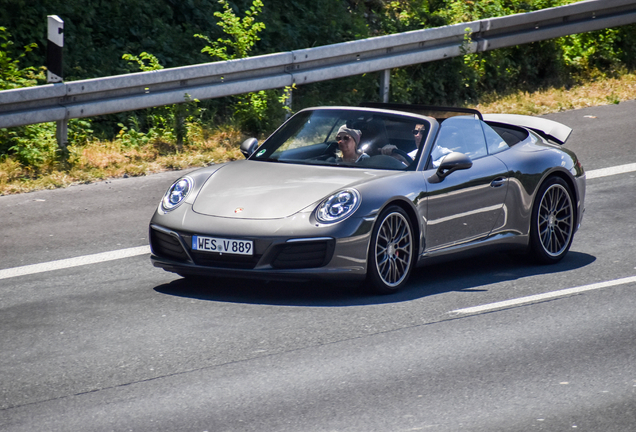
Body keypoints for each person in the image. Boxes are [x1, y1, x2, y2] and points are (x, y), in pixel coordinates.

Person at [381, 123, 451, 167]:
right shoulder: (411, 154)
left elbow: (429, 169)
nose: (417, 135)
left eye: (423, 132)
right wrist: (390, 157)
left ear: (437, 134)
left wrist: (403, 157)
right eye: (415, 132)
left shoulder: (447, 155)